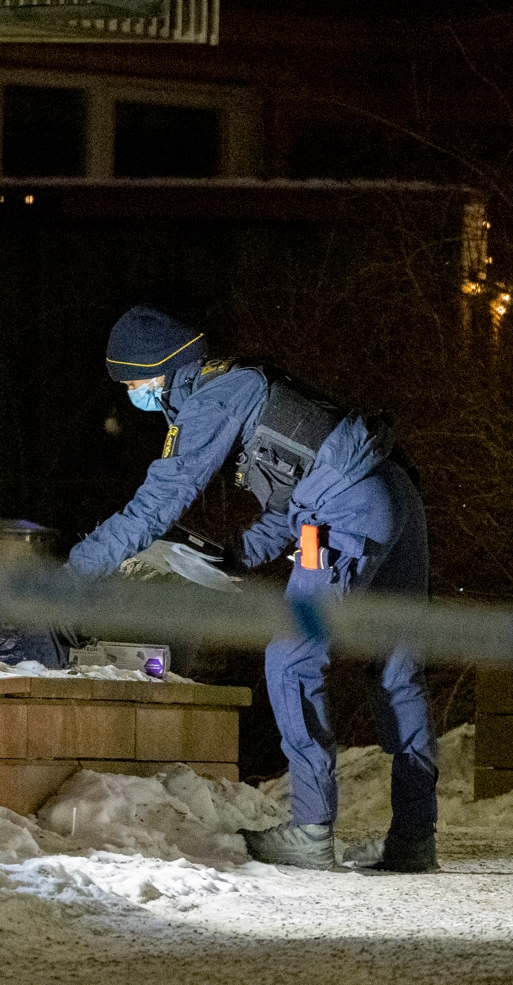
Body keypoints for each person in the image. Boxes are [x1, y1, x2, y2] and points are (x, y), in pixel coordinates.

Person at [67, 305, 438, 872]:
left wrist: (73, 575)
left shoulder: (213, 397)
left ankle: (311, 830)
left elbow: (160, 500)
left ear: (159, 370)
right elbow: (304, 485)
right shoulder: (245, 379)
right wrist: (236, 554)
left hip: (349, 510)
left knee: (291, 659)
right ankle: (415, 838)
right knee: (396, 667)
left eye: (133, 383)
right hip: (393, 494)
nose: (133, 396)